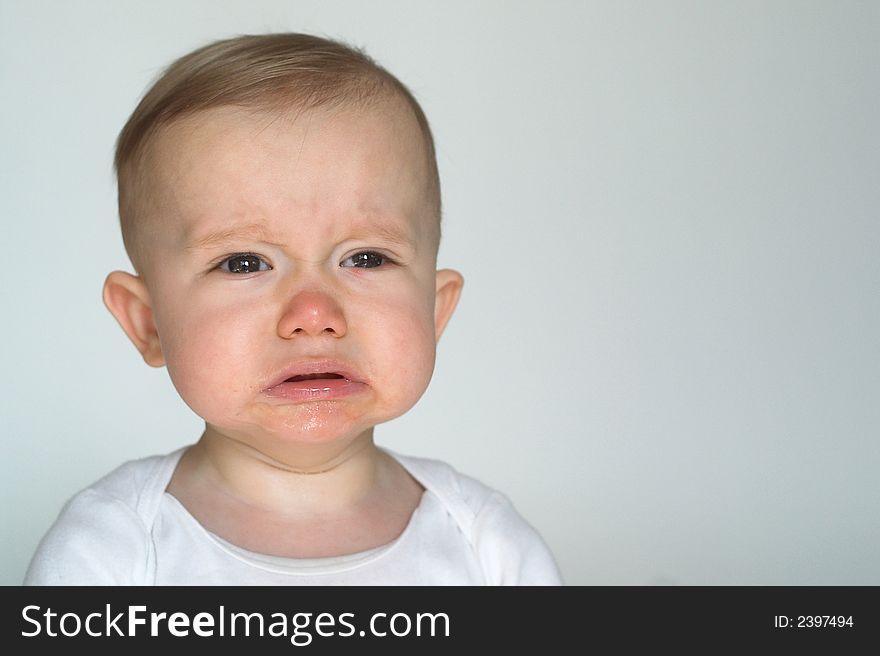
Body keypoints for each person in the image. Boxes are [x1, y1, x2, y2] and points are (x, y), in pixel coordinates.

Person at [24, 33, 562, 585]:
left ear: (434, 309)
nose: (313, 312)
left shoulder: (487, 546)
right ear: (147, 322)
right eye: (243, 263)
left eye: (367, 257)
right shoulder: (109, 552)